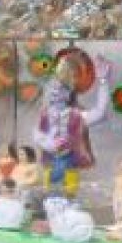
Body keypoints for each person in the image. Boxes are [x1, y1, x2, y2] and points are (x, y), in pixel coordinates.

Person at [31, 49, 109, 196]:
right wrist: (49, 143)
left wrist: (103, 81)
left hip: (68, 167)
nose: (54, 93)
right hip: (50, 167)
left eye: (59, 90)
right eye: (52, 89)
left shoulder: (75, 116)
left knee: (67, 196)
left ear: (67, 94)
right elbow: (37, 135)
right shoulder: (45, 115)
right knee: (51, 196)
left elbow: (100, 112)